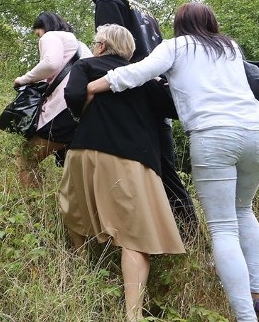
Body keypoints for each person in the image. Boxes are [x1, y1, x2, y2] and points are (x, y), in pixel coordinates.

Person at [86, 3, 259, 322]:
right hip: (258, 133)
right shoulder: (229, 47)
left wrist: (96, 84)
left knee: (224, 227)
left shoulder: (176, 46)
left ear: (179, 24)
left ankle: (246, 317)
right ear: (212, 22)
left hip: (215, 135)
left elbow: (137, 72)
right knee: (244, 210)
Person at [61, 24, 185, 322]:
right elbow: (174, 109)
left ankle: (80, 272)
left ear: (101, 46)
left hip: (85, 151)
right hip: (132, 160)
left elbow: (73, 97)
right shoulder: (144, 77)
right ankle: (133, 316)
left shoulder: (86, 65)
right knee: (133, 238)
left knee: (74, 211)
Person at [82, 0, 198, 237]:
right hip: (157, 89)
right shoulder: (141, 7)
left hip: (132, 89)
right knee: (164, 166)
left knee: (142, 164)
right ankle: (189, 231)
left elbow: (112, 46)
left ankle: (150, 231)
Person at [13, 12, 92, 187]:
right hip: (85, 111)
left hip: (63, 108)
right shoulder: (80, 46)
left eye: (37, 34)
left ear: (43, 27)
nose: (38, 39)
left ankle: (31, 207)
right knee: (73, 169)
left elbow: (50, 63)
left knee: (26, 156)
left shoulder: (50, 36)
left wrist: (23, 79)